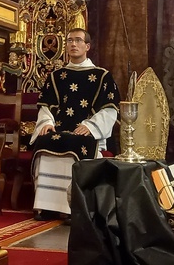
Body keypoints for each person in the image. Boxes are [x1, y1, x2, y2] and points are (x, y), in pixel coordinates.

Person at [30, 28, 120, 221]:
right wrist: (46, 122)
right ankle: (47, 206)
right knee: (44, 141)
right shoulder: (56, 76)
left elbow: (110, 109)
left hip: (85, 132)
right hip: (59, 128)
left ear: (87, 46)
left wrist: (91, 126)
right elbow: (46, 105)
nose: (73, 44)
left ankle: (75, 207)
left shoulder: (102, 76)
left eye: (78, 40)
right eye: (70, 40)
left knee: (78, 143)